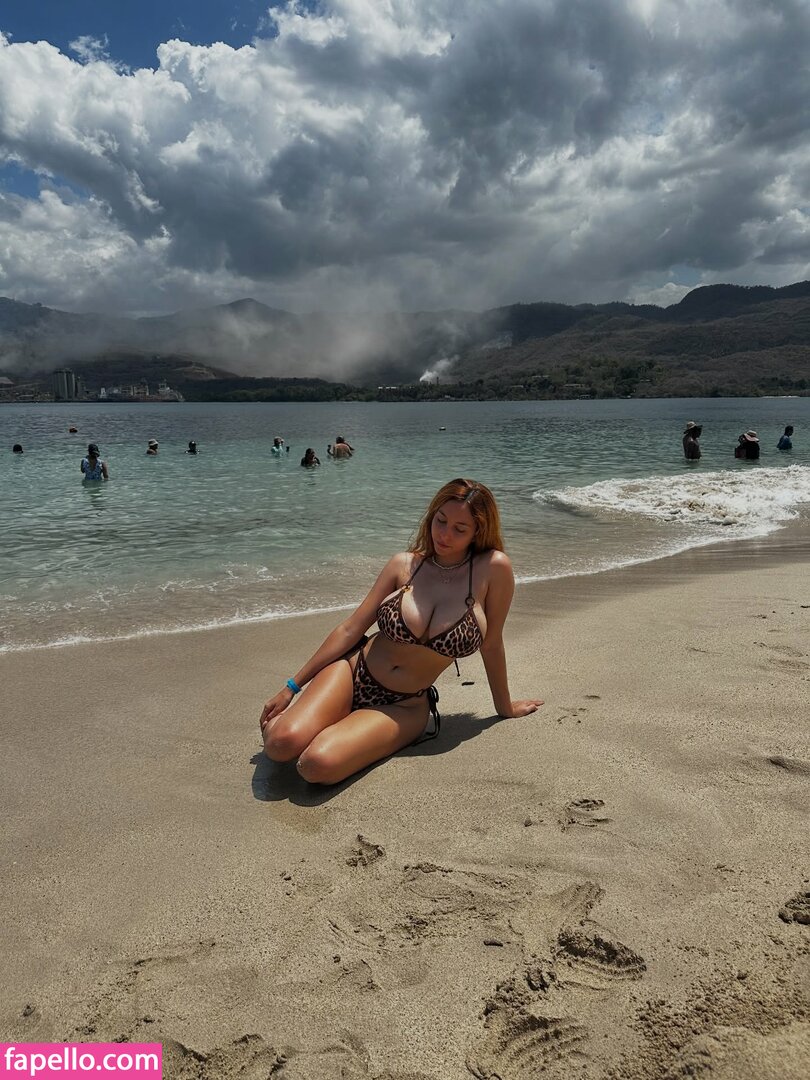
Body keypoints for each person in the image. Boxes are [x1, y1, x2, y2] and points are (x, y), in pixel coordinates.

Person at [260, 478, 543, 786]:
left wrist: (505, 707)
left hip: (405, 704)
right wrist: (291, 687)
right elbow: (351, 628)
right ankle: (307, 723)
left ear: (478, 531)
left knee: (315, 765)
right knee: (280, 744)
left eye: (460, 529)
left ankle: (334, 728)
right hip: (353, 672)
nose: (445, 534)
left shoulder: (493, 568)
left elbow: (492, 644)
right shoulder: (404, 565)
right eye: (440, 521)